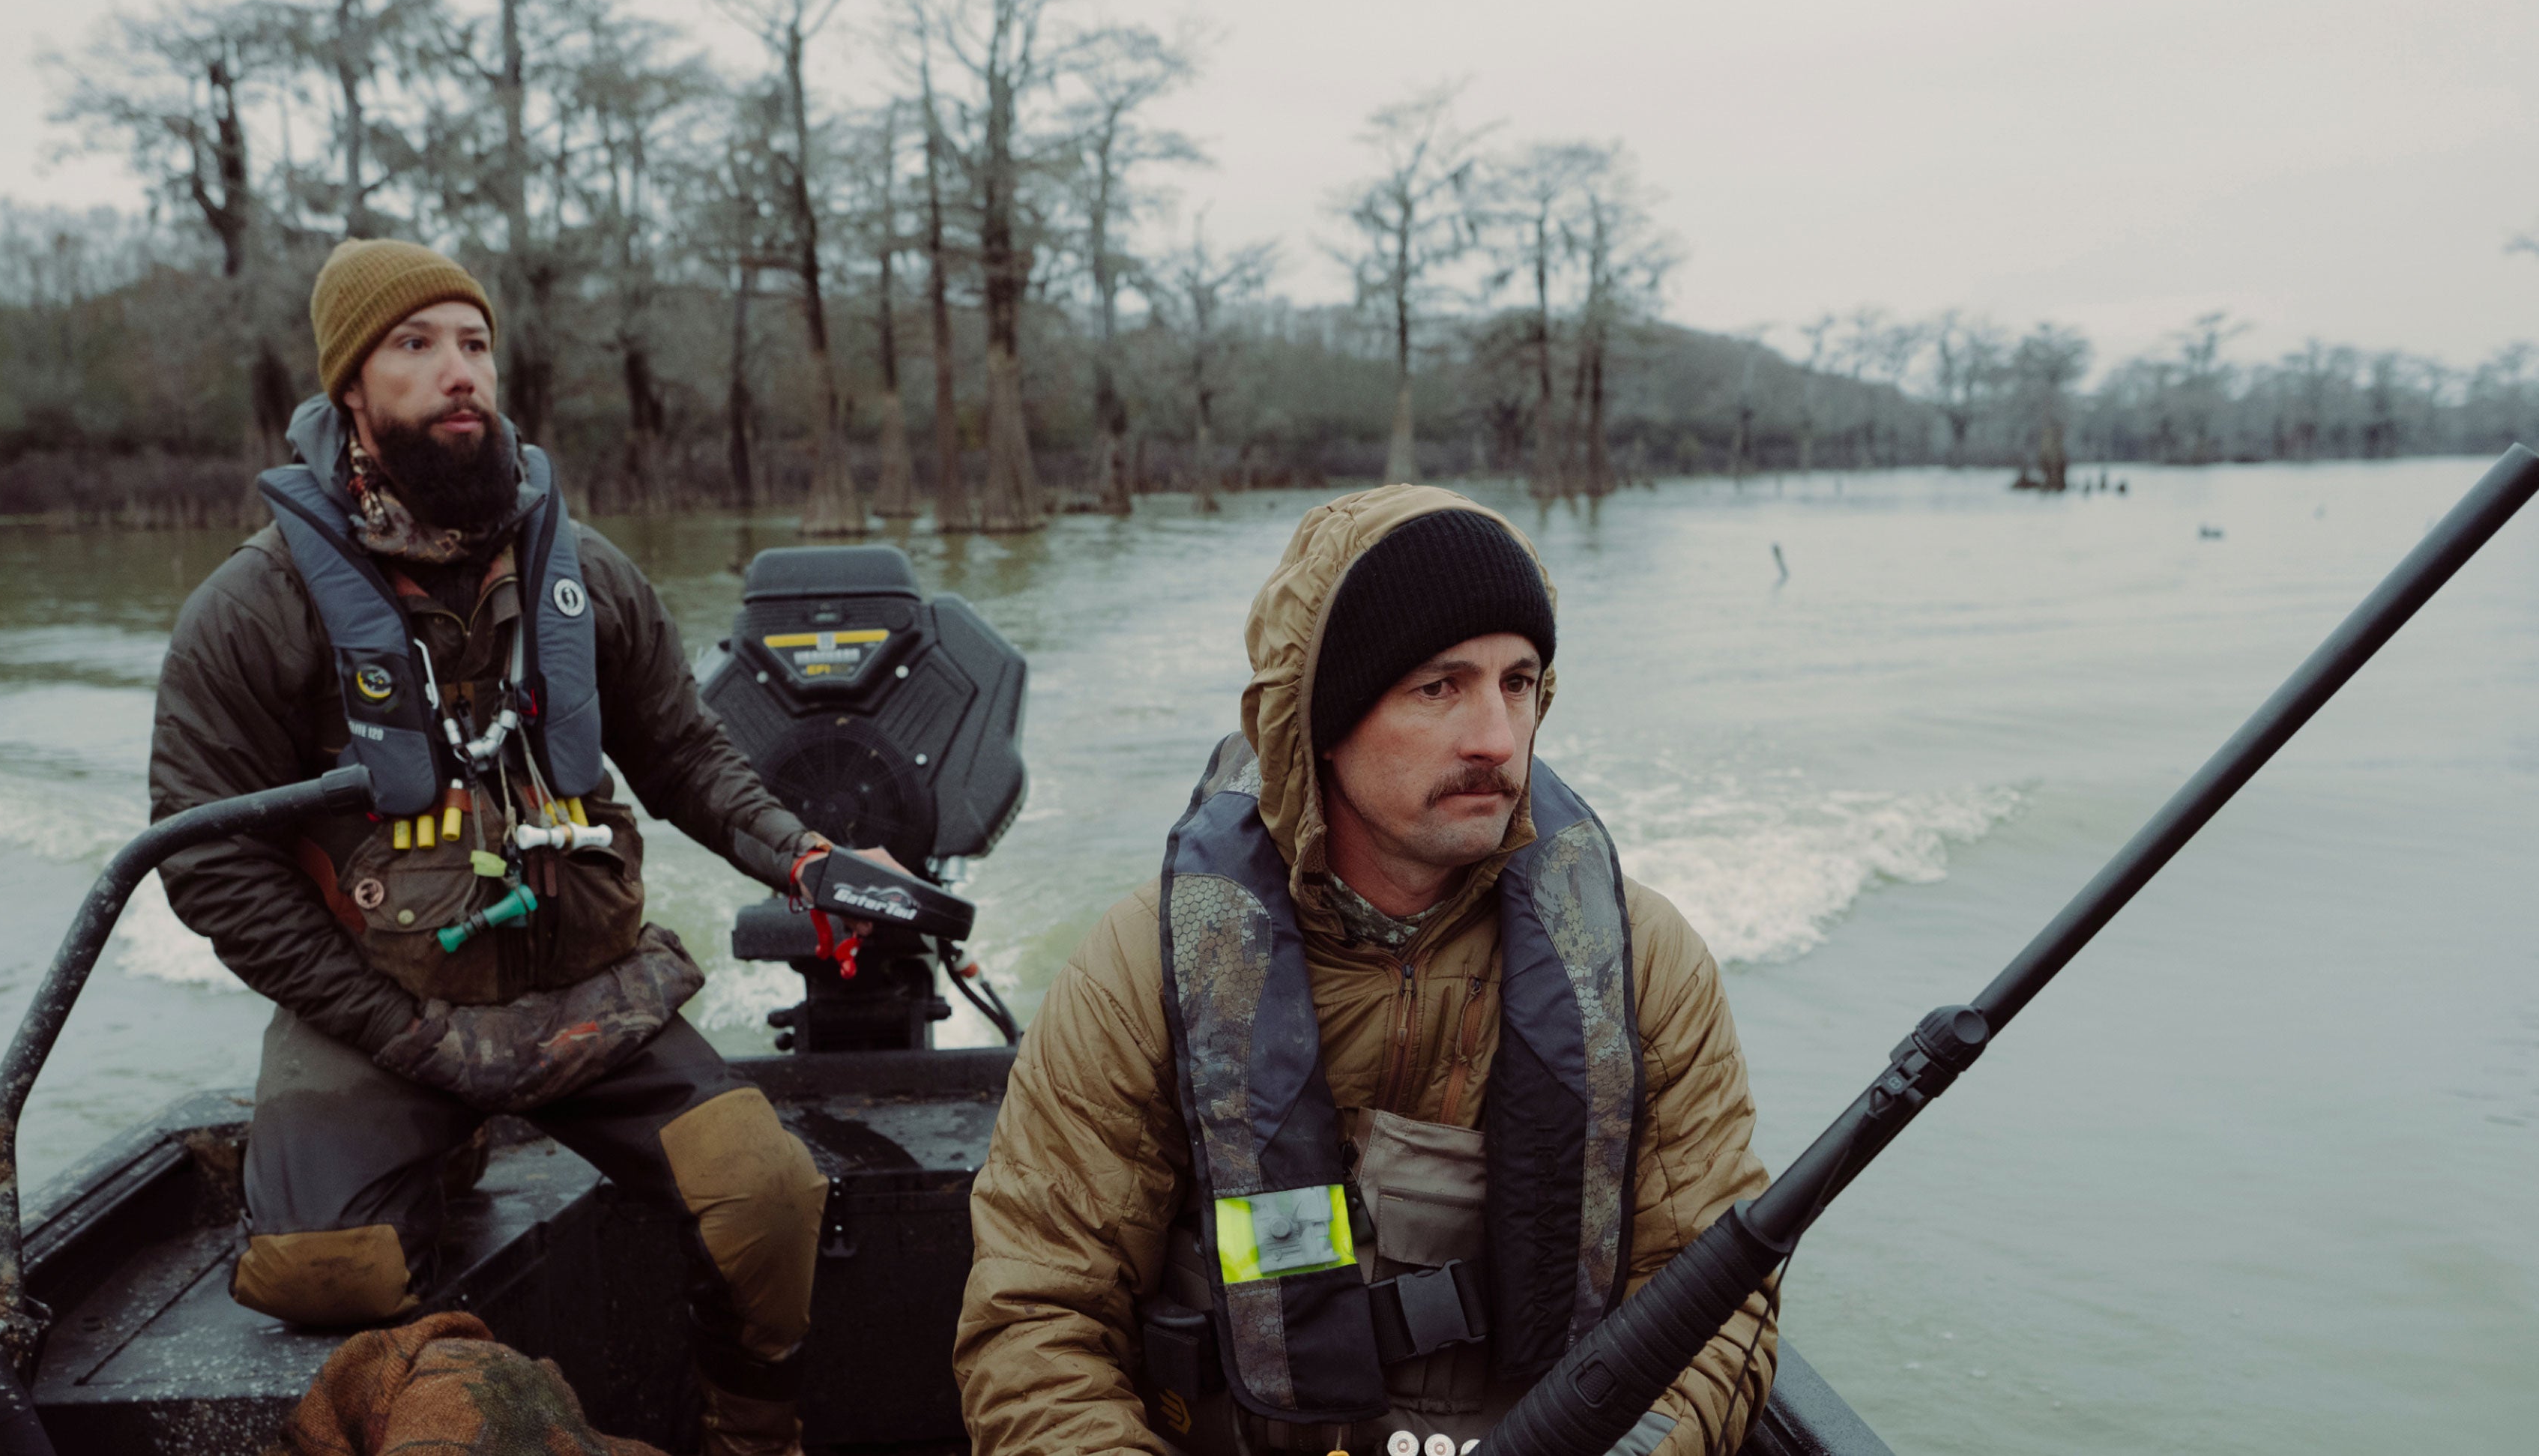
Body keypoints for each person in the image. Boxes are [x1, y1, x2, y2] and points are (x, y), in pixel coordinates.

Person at [150, 238, 836, 1456]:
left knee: (768, 1199)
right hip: (385, 1005)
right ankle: (442, 1203)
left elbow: (686, 754)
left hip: (583, 999)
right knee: (325, 1272)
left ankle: (753, 1434)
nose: (458, 371)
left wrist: (804, 858)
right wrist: (395, 1030)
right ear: (351, 391)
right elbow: (207, 865)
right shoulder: (251, 611)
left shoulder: (589, 577)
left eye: (474, 345)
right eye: (414, 347)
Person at [955, 486, 1777, 1456]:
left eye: (1519, 683)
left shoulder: (1644, 967)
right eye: (1439, 687)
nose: (1497, 739)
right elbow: (1037, 1324)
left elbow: (1715, 1308)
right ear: (1325, 722)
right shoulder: (1144, 971)